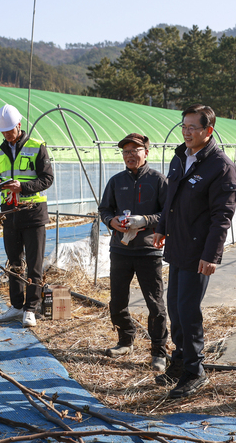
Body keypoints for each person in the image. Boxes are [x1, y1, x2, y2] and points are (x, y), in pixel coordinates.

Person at [154, 104, 236, 399]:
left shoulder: (220, 166)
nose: (187, 132)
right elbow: (170, 200)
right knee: (175, 307)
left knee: (188, 311)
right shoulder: (180, 158)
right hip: (177, 244)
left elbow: (222, 216)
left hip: (198, 250)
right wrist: (162, 229)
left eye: (193, 128)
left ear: (208, 130)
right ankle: (180, 360)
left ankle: (195, 370)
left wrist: (212, 255)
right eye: (184, 127)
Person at [98, 133, 169, 372]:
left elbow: (168, 214)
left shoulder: (158, 181)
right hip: (121, 249)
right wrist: (111, 221)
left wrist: (145, 220)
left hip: (149, 250)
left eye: (134, 151)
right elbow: (104, 209)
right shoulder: (116, 181)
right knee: (117, 300)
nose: (129, 155)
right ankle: (125, 340)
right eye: (125, 151)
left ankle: (159, 351)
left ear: (146, 152)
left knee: (154, 303)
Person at [0, 103, 54, 328]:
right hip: (9, 214)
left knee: (34, 264)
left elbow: (47, 179)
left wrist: (23, 187)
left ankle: (31, 309)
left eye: (10, 131)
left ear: (19, 125)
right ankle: (17, 306)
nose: (7, 135)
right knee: (14, 262)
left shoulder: (37, 147)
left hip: (33, 213)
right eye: (3, 132)